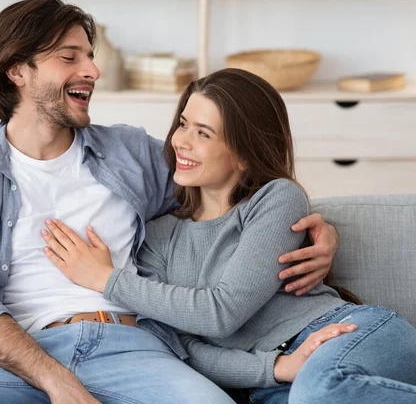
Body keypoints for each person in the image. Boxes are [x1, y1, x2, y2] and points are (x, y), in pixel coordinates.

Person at [0, 0, 339, 404]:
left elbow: (230, 187)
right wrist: (57, 382)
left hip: (137, 350)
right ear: (18, 71)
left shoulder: (133, 153)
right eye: (70, 57)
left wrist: (321, 230)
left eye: (90, 56)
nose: (93, 70)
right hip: (27, 362)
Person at [40, 68, 416, 404]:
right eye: (183, 124)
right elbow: (186, 349)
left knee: (319, 390)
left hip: (342, 335)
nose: (181, 141)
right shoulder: (159, 234)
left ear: (244, 155)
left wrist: (107, 279)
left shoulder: (276, 199)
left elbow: (221, 313)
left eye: (203, 133)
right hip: (278, 383)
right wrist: (277, 368)